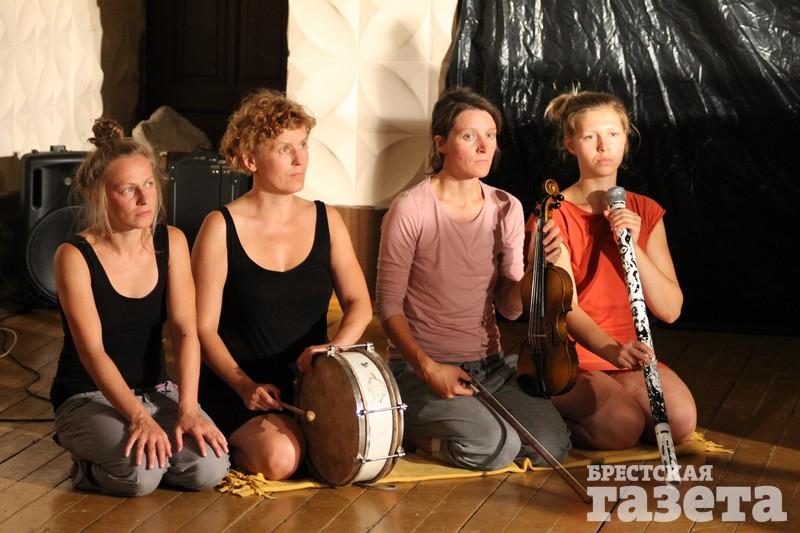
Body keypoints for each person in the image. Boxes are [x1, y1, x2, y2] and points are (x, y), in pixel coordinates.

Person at [376, 86, 570, 471]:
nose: (484, 147)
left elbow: (510, 309)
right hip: (421, 368)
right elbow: (387, 306)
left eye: (491, 136)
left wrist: (536, 270)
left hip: (489, 365)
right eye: (469, 136)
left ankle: (472, 420)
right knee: (496, 448)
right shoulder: (410, 208)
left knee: (552, 446)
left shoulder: (506, 206)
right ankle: (414, 431)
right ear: (440, 144)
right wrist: (429, 368)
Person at [193, 89, 372, 480]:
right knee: (281, 459)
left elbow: (360, 303)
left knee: (366, 445)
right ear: (249, 159)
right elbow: (202, 329)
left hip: (310, 386)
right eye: (284, 148)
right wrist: (244, 386)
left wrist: (335, 347)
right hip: (238, 386)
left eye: (303, 144)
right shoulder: (219, 227)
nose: (300, 158)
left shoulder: (327, 219)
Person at [51, 118, 230, 497]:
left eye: (148, 184)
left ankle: (153, 453)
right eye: (128, 190)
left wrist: (188, 408)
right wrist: (137, 417)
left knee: (209, 468)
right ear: (99, 196)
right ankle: (87, 467)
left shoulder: (172, 242)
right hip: (87, 395)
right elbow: (92, 351)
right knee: (140, 475)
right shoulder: (74, 256)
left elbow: (185, 331)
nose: (145, 199)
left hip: (154, 389)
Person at [539, 89, 697, 450]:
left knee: (679, 423)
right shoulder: (553, 214)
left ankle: (618, 399)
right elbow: (566, 308)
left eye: (613, 134)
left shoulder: (645, 210)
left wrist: (633, 245)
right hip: (573, 358)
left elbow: (670, 309)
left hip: (629, 356)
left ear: (626, 138)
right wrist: (611, 350)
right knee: (621, 428)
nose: (603, 146)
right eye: (590, 137)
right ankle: (539, 417)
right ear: (570, 144)